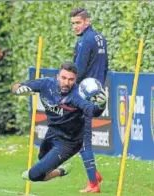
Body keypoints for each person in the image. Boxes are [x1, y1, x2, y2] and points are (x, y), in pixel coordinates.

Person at [11, 62, 106, 184]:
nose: (66, 83)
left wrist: (102, 105)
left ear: (75, 79)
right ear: (57, 76)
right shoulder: (46, 84)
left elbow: (93, 112)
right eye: (64, 78)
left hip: (69, 142)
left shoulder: (77, 95)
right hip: (52, 133)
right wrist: (18, 89)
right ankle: (60, 170)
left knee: (33, 175)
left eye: (71, 79)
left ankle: (60, 172)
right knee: (42, 161)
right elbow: (15, 86)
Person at [69, 8, 108, 193]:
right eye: (73, 23)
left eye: (77, 22)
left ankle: (93, 183)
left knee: (81, 140)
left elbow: (79, 71)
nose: (75, 27)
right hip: (97, 92)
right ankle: (94, 175)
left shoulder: (85, 41)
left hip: (84, 95)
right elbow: (105, 66)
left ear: (87, 21)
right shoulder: (100, 38)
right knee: (80, 138)